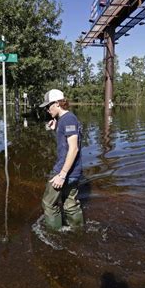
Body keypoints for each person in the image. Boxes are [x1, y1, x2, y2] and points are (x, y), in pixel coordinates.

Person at [39, 89, 84, 230]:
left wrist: (62, 174)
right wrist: (56, 128)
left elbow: (74, 148)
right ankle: (78, 231)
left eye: (48, 106)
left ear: (57, 103)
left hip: (64, 170)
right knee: (70, 204)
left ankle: (54, 235)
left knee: (48, 203)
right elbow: (67, 141)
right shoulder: (65, 120)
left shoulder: (68, 119)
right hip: (74, 170)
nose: (47, 109)